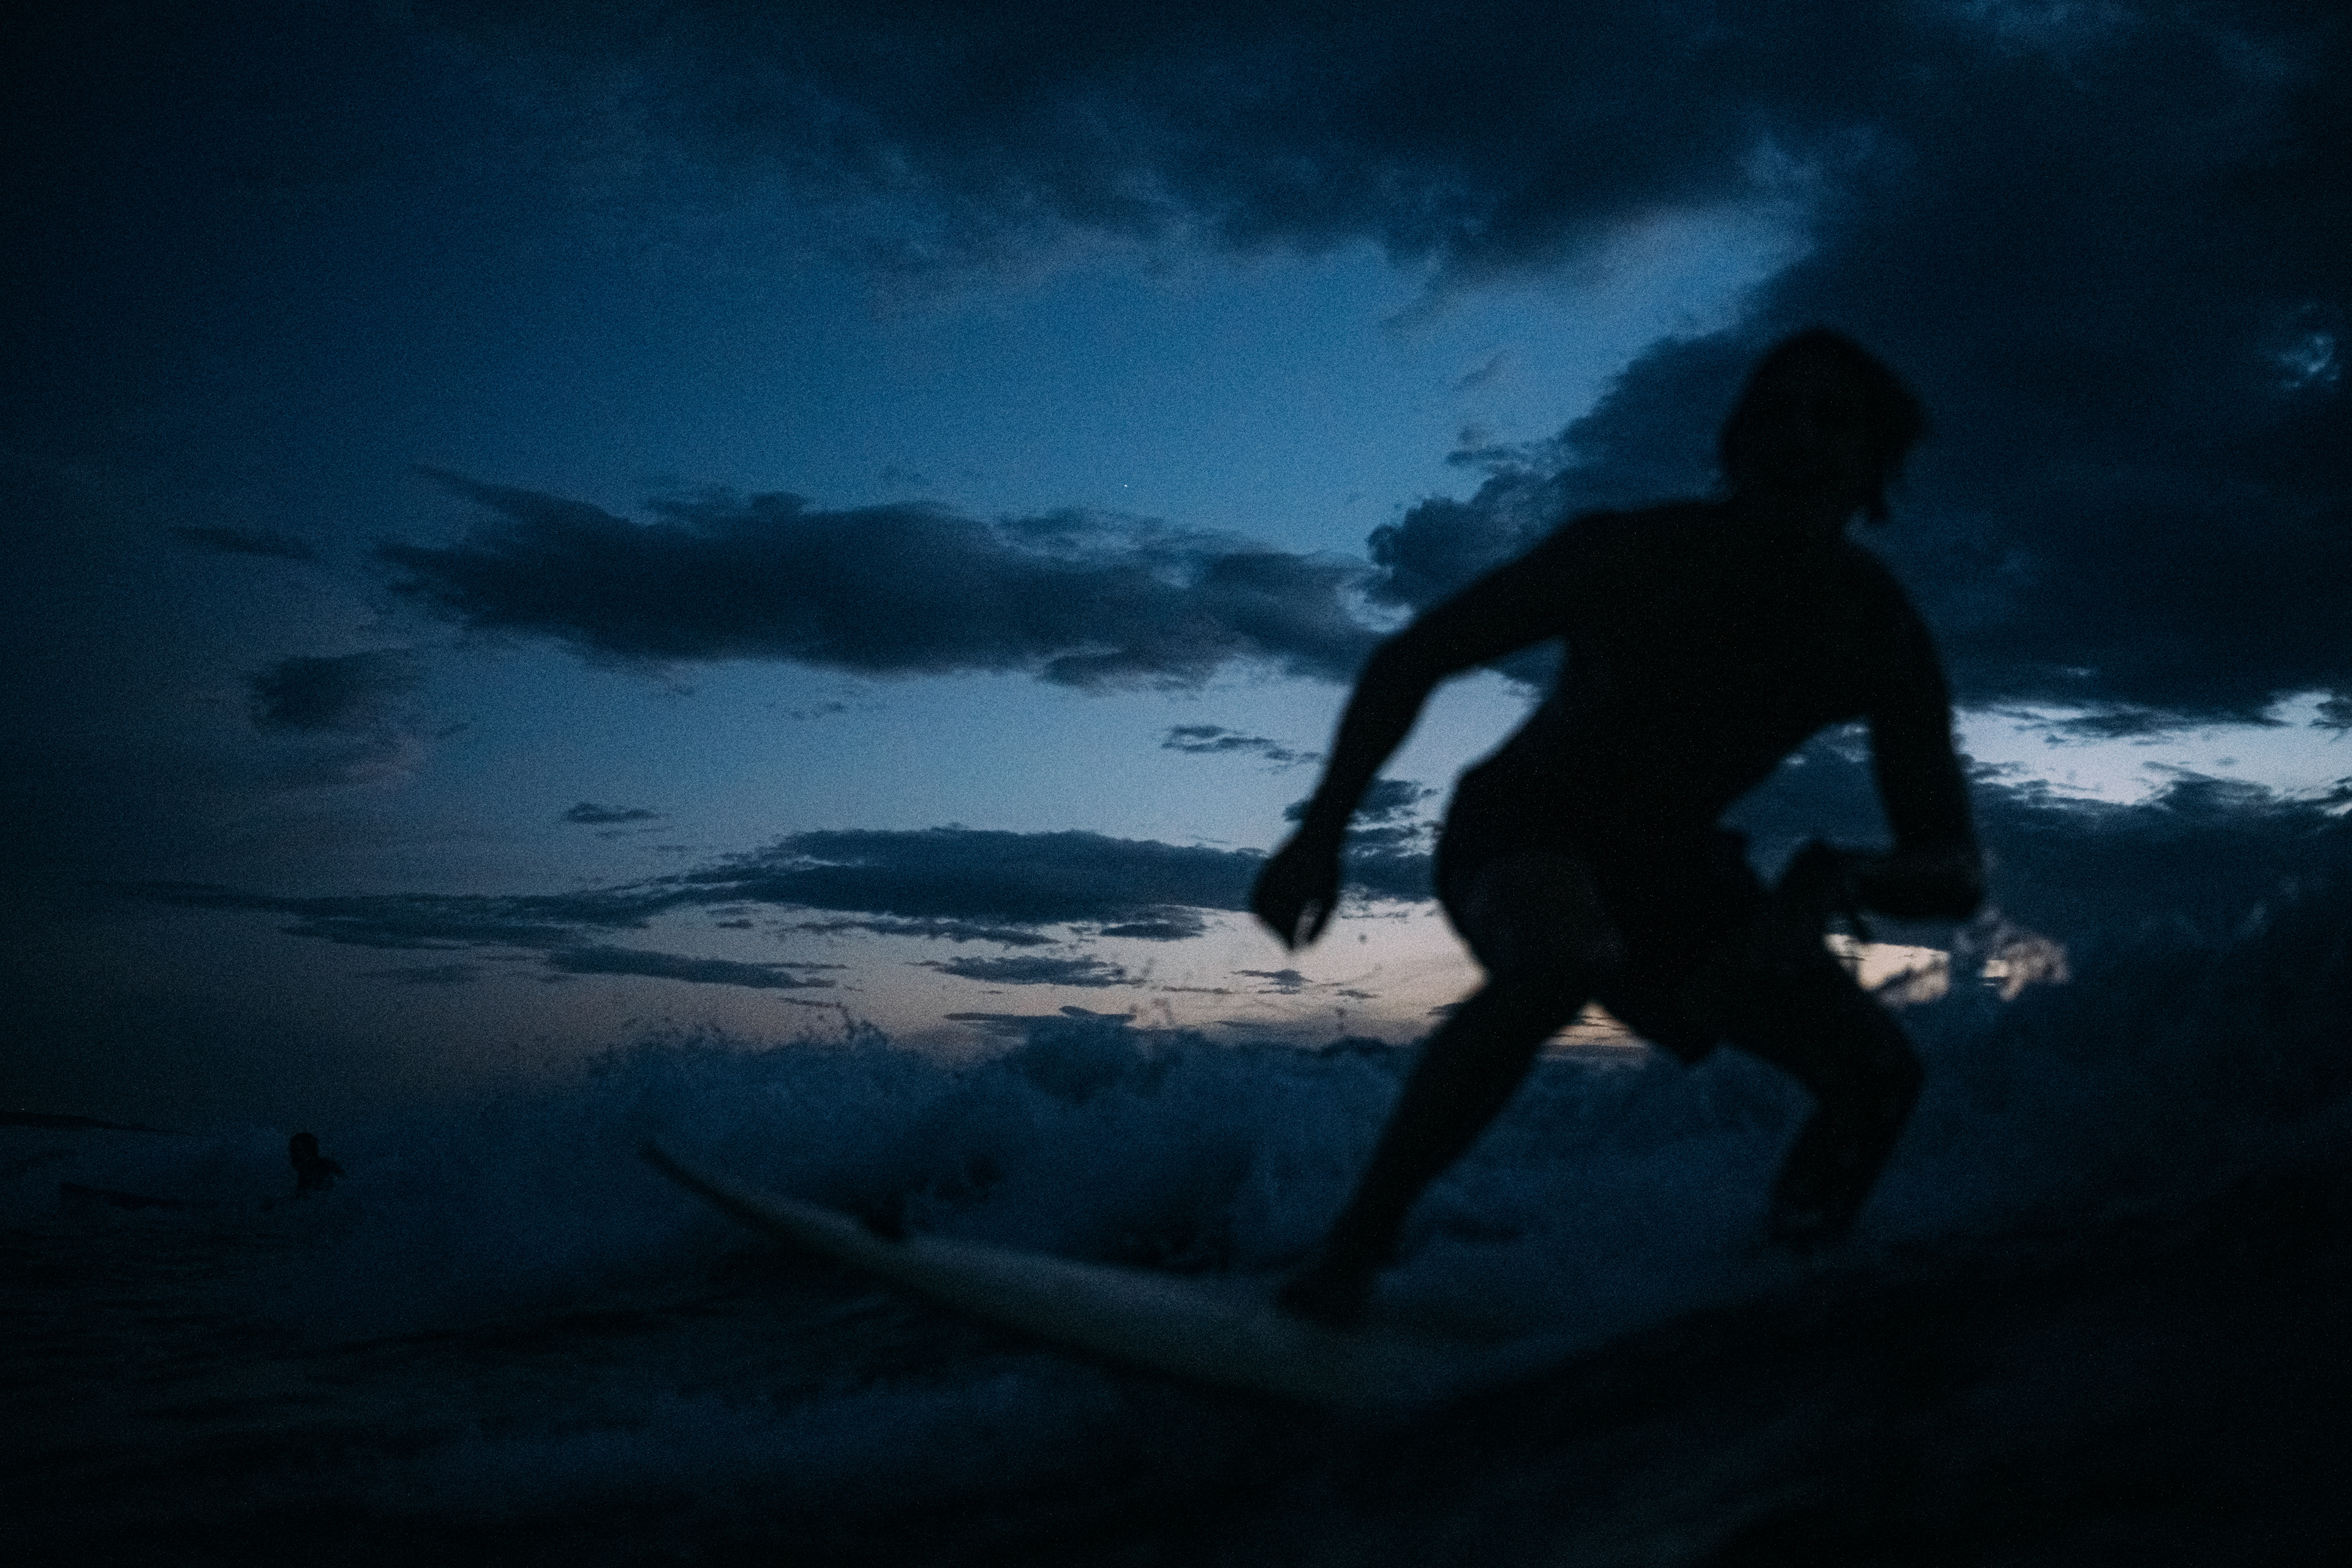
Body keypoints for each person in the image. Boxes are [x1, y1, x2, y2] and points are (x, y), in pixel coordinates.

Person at [1254, 329, 1984, 1325]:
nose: (1798, 440)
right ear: (1731, 453)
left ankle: (1784, 1284)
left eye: (1832, 420)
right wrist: (1319, 835)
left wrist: (1843, 876)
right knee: (1565, 955)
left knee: (1879, 1076)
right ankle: (1348, 1260)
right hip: (1520, 827)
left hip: (1677, 872)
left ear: (1873, 466)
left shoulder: (1879, 632)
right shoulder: (1630, 555)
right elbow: (1416, 657)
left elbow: (1955, 869)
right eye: (1771, 416)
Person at [288, 1131, 344, 1196]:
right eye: (293, 1151)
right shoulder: (305, 1180)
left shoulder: (328, 1170)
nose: (293, 1156)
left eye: (297, 1151)